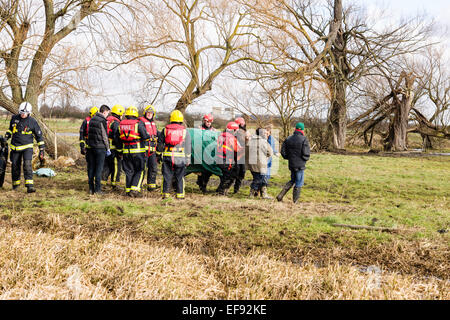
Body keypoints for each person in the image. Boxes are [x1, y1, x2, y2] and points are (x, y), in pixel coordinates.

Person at [4, 102, 45, 193]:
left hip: (27, 147)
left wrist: (41, 149)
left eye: (25, 113)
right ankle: (15, 185)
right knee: (15, 166)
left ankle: (30, 186)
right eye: (21, 112)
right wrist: (6, 138)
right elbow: (10, 130)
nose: (23, 114)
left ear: (29, 113)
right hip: (15, 147)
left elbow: (39, 136)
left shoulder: (33, 122)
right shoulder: (14, 118)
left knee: (27, 165)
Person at [157, 110, 191, 200]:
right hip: (180, 157)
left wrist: (158, 155)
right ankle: (180, 195)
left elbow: (160, 144)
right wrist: (188, 159)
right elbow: (188, 146)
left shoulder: (165, 130)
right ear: (181, 120)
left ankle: (165, 194)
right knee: (180, 176)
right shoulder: (185, 131)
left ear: (171, 119)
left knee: (167, 176)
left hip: (168, 156)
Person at [117, 106, 150, 197]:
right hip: (138, 152)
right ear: (135, 114)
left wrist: (119, 152)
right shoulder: (138, 124)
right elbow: (145, 136)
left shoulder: (121, 125)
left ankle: (128, 190)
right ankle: (135, 190)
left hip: (126, 153)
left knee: (129, 171)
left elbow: (118, 139)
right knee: (140, 170)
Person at [276, 122, 310, 203]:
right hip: (300, 165)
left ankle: (280, 196)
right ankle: (295, 201)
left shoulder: (288, 139)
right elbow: (306, 154)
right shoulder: (304, 139)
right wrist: (304, 159)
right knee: (299, 182)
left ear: (295, 129)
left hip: (291, 164)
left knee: (292, 180)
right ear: (302, 129)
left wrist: (289, 158)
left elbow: (283, 152)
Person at [86, 104, 111, 195]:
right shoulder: (102, 120)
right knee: (99, 169)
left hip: (91, 147)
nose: (108, 115)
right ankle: (98, 190)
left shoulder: (92, 119)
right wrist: (108, 148)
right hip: (100, 148)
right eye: (108, 113)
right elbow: (104, 136)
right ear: (104, 111)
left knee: (91, 167)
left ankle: (91, 189)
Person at [216, 121, 242, 196]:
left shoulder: (221, 135)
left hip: (218, 158)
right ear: (233, 130)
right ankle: (221, 192)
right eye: (236, 130)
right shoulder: (231, 138)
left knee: (224, 176)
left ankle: (220, 190)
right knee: (229, 176)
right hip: (225, 160)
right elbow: (237, 149)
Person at [246, 128, 273, 199]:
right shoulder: (263, 142)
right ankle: (252, 193)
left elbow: (246, 152)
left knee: (259, 178)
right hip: (260, 164)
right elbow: (270, 152)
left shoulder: (250, 140)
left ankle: (263, 194)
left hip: (251, 165)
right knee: (259, 179)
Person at [102, 104, 125, 189]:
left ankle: (102, 182)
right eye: (122, 114)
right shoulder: (116, 123)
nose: (122, 116)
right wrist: (120, 150)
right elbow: (117, 137)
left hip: (105, 148)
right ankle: (115, 184)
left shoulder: (106, 120)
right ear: (119, 113)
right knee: (116, 167)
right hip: (113, 149)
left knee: (106, 166)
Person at [139, 105, 159, 191]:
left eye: (151, 113)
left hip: (152, 151)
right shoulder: (141, 122)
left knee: (153, 168)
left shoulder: (153, 123)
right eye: (148, 113)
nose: (149, 114)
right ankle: (138, 185)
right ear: (145, 113)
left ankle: (151, 186)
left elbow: (157, 133)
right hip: (143, 150)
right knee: (142, 168)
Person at [196, 113, 216, 193]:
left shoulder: (213, 130)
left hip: (209, 154)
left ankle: (203, 185)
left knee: (207, 171)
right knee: (201, 170)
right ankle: (201, 183)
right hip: (200, 152)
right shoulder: (199, 129)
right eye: (207, 122)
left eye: (210, 122)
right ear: (204, 121)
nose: (208, 123)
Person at [233, 117, 248, 194]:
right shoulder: (235, 132)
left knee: (242, 172)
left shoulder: (245, 132)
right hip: (236, 155)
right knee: (236, 172)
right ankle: (232, 187)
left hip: (242, 155)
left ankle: (236, 188)